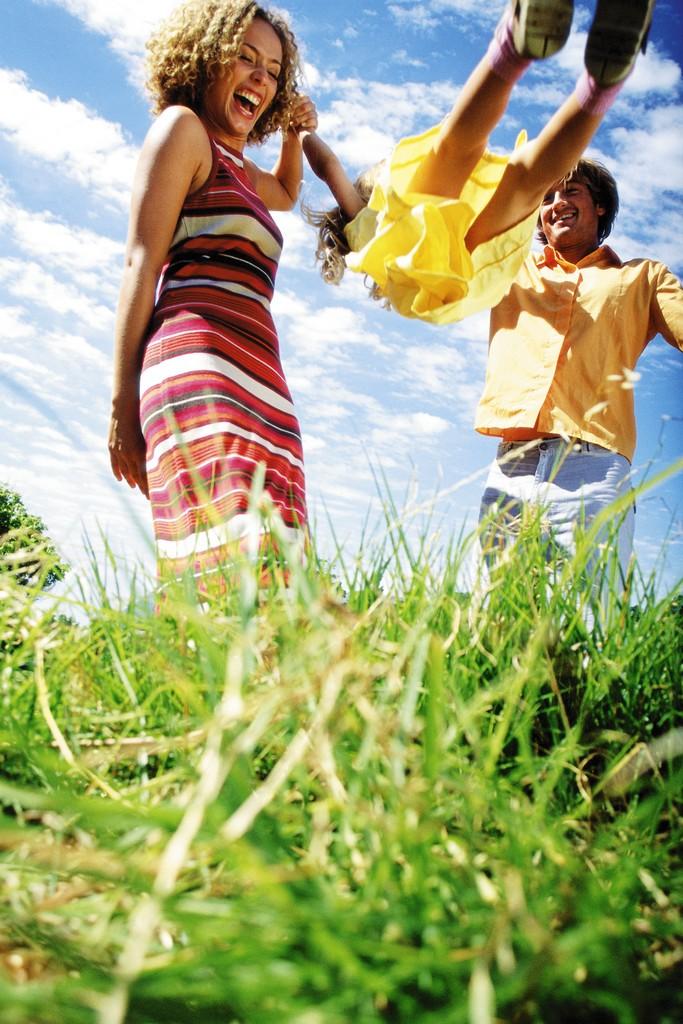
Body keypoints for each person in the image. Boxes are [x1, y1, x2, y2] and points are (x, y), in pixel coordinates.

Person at [107, 0, 316, 588]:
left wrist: (295, 136)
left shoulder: (241, 170)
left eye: (274, 72)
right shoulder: (184, 130)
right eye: (246, 59)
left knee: (282, 560)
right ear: (205, 60)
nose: (261, 78)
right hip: (199, 365)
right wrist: (123, 404)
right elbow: (140, 264)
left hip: (266, 385)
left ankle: (267, 683)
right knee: (227, 548)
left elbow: (286, 191)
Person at [301, 0, 656, 326]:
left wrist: (297, 130)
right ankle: (519, 48)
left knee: (528, 180)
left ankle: (602, 82)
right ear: (370, 195)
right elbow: (328, 165)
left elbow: (327, 166)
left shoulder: (370, 242)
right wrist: (301, 131)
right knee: (462, 151)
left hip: (458, 280)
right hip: (433, 258)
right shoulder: (363, 221)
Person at [475, 155, 682, 585]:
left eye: (570, 191)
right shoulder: (509, 268)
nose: (556, 203)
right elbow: (443, 255)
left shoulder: (642, 278)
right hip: (511, 466)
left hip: (592, 467)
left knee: (588, 618)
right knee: (492, 619)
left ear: (599, 205)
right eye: (547, 197)